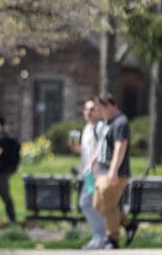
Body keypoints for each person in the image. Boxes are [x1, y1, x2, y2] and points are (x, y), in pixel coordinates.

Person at [92, 93, 138, 249]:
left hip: (116, 171)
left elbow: (120, 146)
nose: (98, 112)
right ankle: (128, 223)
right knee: (98, 204)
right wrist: (93, 161)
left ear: (109, 105)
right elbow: (102, 144)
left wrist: (113, 170)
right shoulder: (106, 122)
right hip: (102, 170)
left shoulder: (121, 122)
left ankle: (112, 239)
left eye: (100, 108)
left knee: (109, 204)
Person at [69, 98, 106, 250]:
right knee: (91, 205)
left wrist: (91, 164)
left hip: (97, 174)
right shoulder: (87, 128)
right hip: (88, 175)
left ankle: (101, 237)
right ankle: (97, 237)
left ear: (98, 111)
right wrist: (75, 148)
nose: (89, 112)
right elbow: (85, 151)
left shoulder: (100, 126)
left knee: (86, 203)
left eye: (92, 109)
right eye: (86, 109)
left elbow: (101, 148)